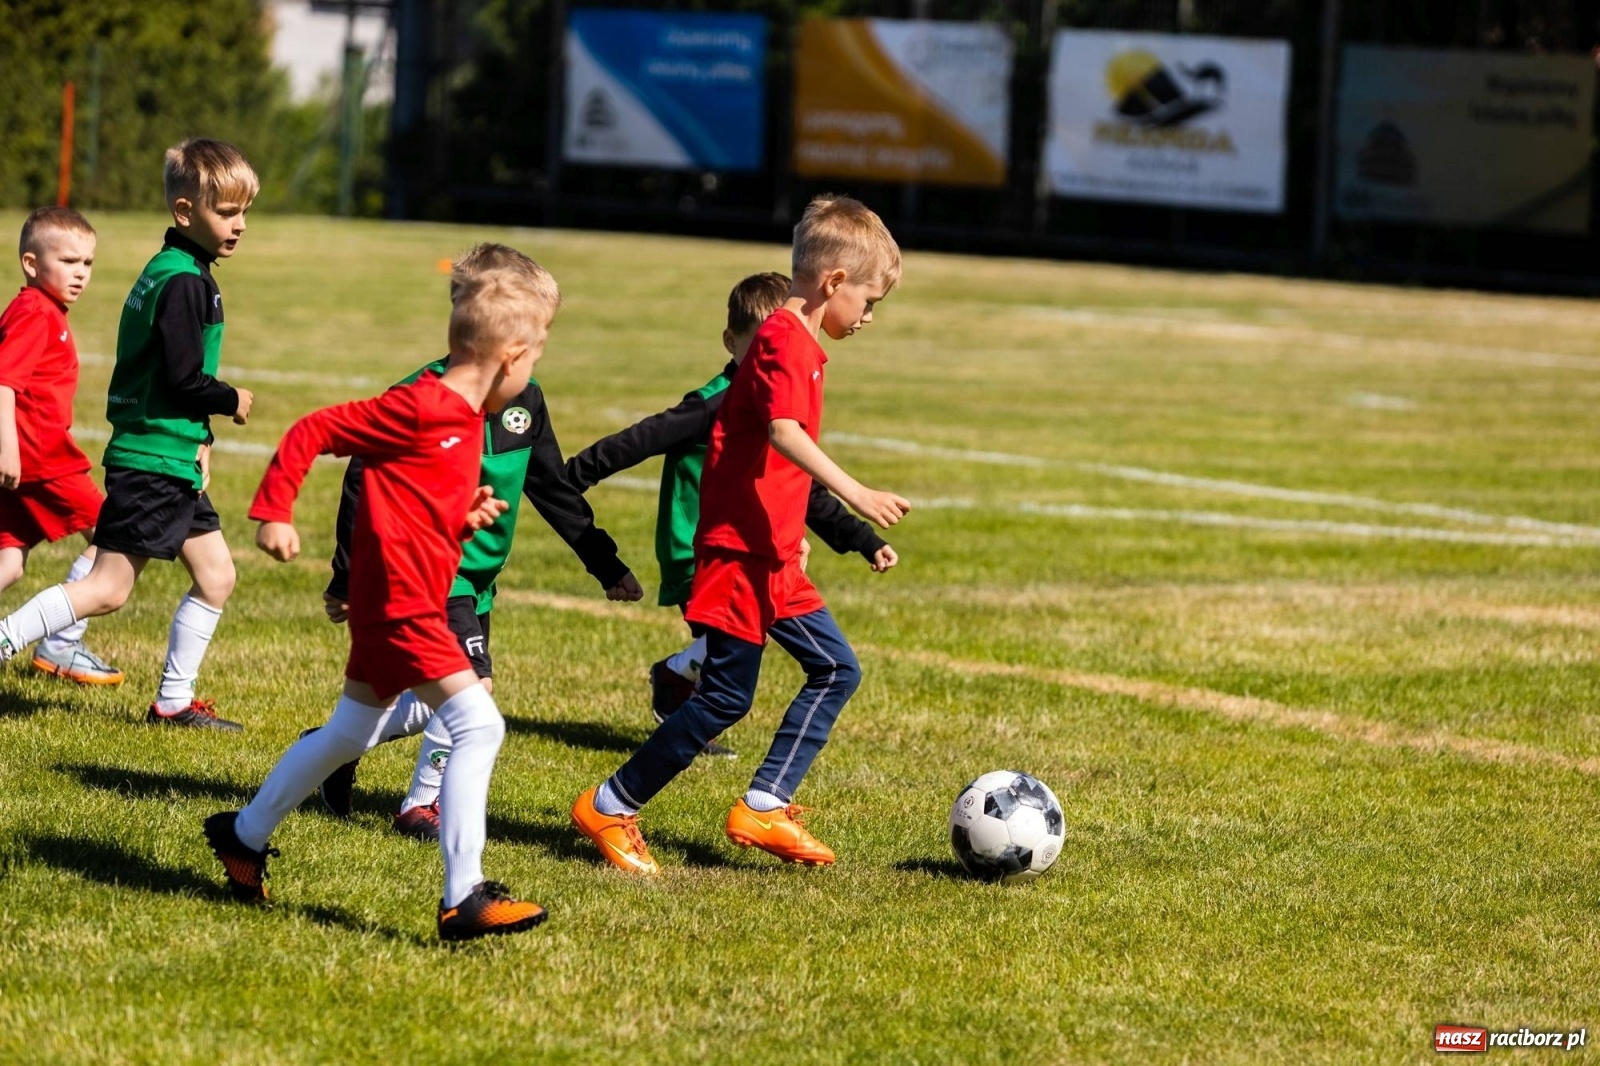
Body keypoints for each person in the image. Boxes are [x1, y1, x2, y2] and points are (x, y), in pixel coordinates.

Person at [204, 265, 556, 942]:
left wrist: (462, 510)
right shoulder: (426, 405)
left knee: (350, 733)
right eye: (535, 358)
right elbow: (313, 431)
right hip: (404, 604)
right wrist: (273, 511)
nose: (532, 376)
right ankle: (464, 896)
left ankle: (242, 836)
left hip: (397, 596)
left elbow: (412, 496)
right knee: (480, 726)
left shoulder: (459, 420)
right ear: (510, 357)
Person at [571, 195, 909, 875]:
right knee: (726, 697)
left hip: (774, 557)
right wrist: (858, 493)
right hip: (736, 558)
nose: (870, 317)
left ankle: (764, 801)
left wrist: (805, 531)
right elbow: (784, 435)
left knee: (837, 668)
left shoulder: (804, 345)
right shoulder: (784, 341)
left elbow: (766, 458)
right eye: (870, 300)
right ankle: (610, 804)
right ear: (834, 283)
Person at [316, 243, 643, 842]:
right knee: (477, 690)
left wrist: (604, 560)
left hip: (481, 575)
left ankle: (332, 748)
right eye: (534, 330)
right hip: (433, 571)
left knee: (435, 695)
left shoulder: (527, 400)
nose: (537, 346)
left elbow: (552, 484)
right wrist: (345, 575)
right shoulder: (421, 398)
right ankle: (422, 805)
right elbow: (361, 479)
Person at [563, 271, 898, 757]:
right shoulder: (713, 405)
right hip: (705, 551)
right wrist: (571, 478)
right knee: (734, 660)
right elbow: (636, 440)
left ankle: (682, 695)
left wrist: (860, 537)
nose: (772, 355)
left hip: (755, 549)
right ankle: (675, 687)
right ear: (733, 342)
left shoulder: (778, 407)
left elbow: (803, 491)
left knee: (739, 661)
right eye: (760, 344)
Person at [0, 140, 256, 728]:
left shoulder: (175, 269)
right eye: (227, 212)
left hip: (171, 454)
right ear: (186, 212)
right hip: (153, 459)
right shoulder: (184, 283)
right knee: (109, 588)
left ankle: (172, 703)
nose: (239, 225)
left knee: (217, 575)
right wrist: (230, 401)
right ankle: (13, 638)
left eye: (244, 211)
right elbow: (183, 377)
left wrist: (203, 439)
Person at [0, 207, 124, 685]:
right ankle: (60, 646)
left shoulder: (45, 310)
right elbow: (4, 383)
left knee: (8, 562)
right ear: (32, 263)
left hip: (30, 457)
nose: (80, 273)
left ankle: (59, 646)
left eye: (88, 263)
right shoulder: (34, 312)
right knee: (116, 538)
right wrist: (8, 449)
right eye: (69, 261)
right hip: (40, 458)